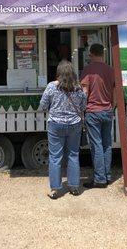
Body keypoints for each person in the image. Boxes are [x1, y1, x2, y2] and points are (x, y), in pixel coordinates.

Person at [40, 60, 87, 199]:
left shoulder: (51, 87)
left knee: (55, 157)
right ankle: (74, 186)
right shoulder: (78, 88)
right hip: (74, 125)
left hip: (56, 124)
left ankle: (55, 189)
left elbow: (43, 105)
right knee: (73, 155)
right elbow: (83, 107)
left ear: (58, 73)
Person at [80, 43, 115, 188]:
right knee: (107, 144)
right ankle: (106, 176)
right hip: (107, 110)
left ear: (91, 54)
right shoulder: (111, 70)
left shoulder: (88, 70)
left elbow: (84, 93)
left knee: (96, 145)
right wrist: (112, 107)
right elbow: (116, 91)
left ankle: (100, 179)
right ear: (103, 54)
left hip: (93, 111)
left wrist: (82, 110)